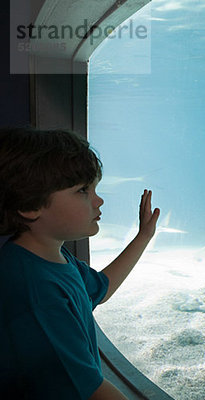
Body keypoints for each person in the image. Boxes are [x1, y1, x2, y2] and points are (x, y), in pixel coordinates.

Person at [0, 127, 160, 399]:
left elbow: (101, 288)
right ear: (30, 205)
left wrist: (143, 237)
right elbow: (90, 390)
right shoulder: (36, 289)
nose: (99, 200)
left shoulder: (53, 256)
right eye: (83, 190)